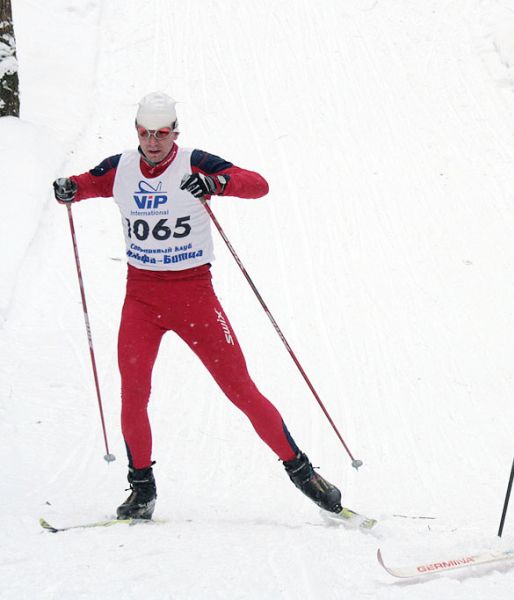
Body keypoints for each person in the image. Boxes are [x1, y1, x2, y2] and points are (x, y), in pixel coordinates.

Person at [53, 92, 343, 521]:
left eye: (162, 133)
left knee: (240, 390)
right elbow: (83, 184)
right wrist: (68, 189)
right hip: (142, 300)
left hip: (194, 298)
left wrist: (216, 184)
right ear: (137, 132)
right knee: (133, 396)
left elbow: (257, 184)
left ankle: (304, 473)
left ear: (175, 132)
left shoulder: (195, 162)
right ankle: (141, 491)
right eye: (146, 133)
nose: (154, 142)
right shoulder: (120, 168)